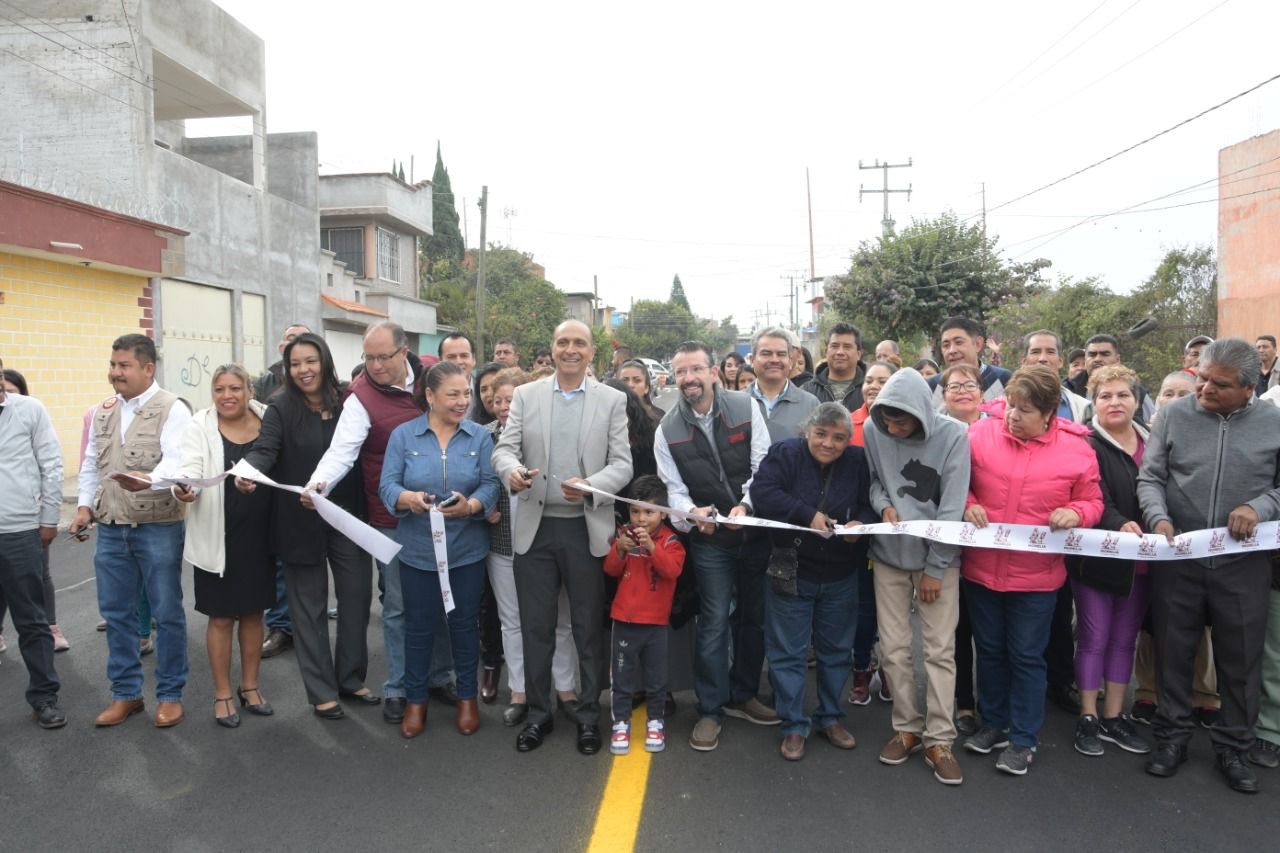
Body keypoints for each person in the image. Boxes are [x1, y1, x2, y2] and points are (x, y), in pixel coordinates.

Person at [1137, 338, 1280, 793]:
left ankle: (1234, 747)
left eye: (1219, 385)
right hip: (1180, 559)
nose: (1203, 391)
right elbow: (1151, 476)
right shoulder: (1175, 416)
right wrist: (1157, 517)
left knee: (1240, 660)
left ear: (1248, 387)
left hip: (1243, 564)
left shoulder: (1275, 423)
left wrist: (1261, 506)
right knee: (1174, 653)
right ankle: (1171, 738)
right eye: (1201, 379)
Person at [491, 319, 633, 755]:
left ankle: (589, 716)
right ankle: (539, 714)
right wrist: (510, 471)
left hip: (585, 529)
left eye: (579, 343)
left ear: (592, 353)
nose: (570, 350)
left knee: (587, 630)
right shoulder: (527, 396)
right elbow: (504, 448)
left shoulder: (612, 399)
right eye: (563, 342)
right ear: (551, 349)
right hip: (535, 529)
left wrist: (592, 484)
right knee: (537, 628)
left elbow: (623, 464)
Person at [961, 364, 1103, 776]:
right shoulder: (980, 433)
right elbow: (957, 479)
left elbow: (1092, 500)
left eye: (1024, 410)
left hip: (1037, 577)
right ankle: (994, 724)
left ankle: (1023, 738)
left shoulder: (1077, 449)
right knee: (988, 651)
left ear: (1049, 413)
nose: (1011, 416)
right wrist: (968, 499)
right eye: (1009, 405)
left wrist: (1075, 512)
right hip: (982, 569)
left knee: (1025, 655)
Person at [237, 332, 374, 721]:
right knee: (308, 609)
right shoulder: (280, 406)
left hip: (347, 516)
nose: (303, 370)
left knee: (356, 598)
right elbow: (265, 449)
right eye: (296, 364)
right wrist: (248, 472)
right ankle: (321, 692)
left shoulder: (350, 399)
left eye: (310, 361)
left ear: (324, 361)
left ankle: (350, 678)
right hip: (299, 517)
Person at [304, 322, 427, 725]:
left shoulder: (432, 379)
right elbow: (342, 451)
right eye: (368, 357)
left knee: (443, 602)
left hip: (444, 514)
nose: (374, 366)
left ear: (404, 351)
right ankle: (399, 686)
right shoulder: (359, 397)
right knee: (397, 605)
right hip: (388, 518)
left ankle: (439, 677)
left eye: (383, 357)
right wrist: (317, 485)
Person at [655, 340, 775, 752]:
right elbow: (673, 489)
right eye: (681, 372)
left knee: (753, 618)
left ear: (713, 372)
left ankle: (743, 694)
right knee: (713, 623)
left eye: (695, 370)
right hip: (711, 542)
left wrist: (746, 504)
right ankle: (710, 708)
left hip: (753, 532)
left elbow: (764, 465)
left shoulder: (746, 408)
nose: (688, 379)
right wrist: (692, 512)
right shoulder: (667, 429)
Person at [69, 334, 193, 728]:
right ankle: (126, 694)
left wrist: (151, 480)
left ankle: (170, 695)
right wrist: (84, 506)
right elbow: (91, 463)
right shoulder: (103, 411)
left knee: (167, 613)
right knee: (117, 615)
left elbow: (179, 464)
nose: (114, 373)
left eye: (123, 366)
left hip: (158, 526)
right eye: (112, 365)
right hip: (110, 528)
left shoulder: (173, 409)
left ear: (148, 368)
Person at [380, 361, 500, 738]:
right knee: (418, 627)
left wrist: (472, 507)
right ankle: (416, 701)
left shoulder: (479, 437)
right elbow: (386, 486)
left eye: (466, 393)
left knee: (464, 625)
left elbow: (490, 484)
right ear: (430, 396)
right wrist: (408, 498)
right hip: (416, 552)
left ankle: (467, 698)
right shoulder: (404, 437)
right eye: (453, 394)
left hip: (466, 551)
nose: (463, 400)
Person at [863, 368, 971, 785]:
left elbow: (953, 508)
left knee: (940, 651)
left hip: (937, 562)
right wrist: (883, 503)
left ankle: (940, 739)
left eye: (902, 421)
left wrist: (936, 568)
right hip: (888, 556)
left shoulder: (954, 435)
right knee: (893, 649)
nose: (893, 427)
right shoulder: (876, 432)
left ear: (922, 413)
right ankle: (906, 728)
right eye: (887, 420)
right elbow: (874, 480)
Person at [751, 402, 876, 760]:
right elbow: (764, 494)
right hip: (791, 568)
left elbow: (871, 504)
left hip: (841, 573)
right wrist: (807, 514)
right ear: (807, 431)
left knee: (837, 651)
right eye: (821, 434)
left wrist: (860, 527)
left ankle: (830, 717)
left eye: (838, 438)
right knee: (787, 652)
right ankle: (792, 724)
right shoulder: (785, 453)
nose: (829, 444)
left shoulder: (856, 462)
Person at [173, 365, 275, 728]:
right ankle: (222, 693)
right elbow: (190, 470)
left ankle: (250, 687)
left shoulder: (269, 418)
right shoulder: (199, 425)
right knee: (220, 617)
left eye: (235, 388)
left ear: (250, 390)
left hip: (260, 535)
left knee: (253, 613)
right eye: (219, 389)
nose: (227, 395)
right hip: (218, 535)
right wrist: (184, 487)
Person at [484, 369, 579, 727]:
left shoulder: (546, 435)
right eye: (499, 400)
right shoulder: (485, 438)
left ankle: (566, 690)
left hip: (549, 541)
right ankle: (520, 692)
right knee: (513, 622)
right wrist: (485, 507)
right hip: (505, 545)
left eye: (513, 400)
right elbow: (479, 480)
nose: (506, 407)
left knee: (561, 621)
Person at [1068, 365, 1151, 758]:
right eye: (1105, 396)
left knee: (1124, 640)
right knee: (1094, 637)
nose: (1114, 402)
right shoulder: (1085, 443)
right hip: (1097, 560)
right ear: (1093, 403)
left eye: (1122, 395)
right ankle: (1088, 716)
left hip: (1146, 561)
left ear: (1137, 400)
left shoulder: (1153, 441)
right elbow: (1093, 495)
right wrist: (1120, 524)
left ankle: (1114, 717)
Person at [1129, 370, 1220, 726]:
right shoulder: (1137, 437)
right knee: (1150, 623)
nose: (1176, 399)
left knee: (1201, 623)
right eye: (1168, 393)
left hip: (1195, 544)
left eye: (1184, 392)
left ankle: (1205, 692)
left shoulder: (1209, 433)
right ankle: (1149, 691)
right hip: (1146, 545)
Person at [0, 355, 66, 728]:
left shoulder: (29, 410)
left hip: (19, 532)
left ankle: (44, 697)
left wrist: (48, 518)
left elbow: (51, 463)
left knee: (32, 621)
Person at [604, 475, 686, 755]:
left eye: (649, 512)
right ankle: (621, 724)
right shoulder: (623, 535)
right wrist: (619, 550)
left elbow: (672, 571)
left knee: (656, 679)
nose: (641, 519)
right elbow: (611, 570)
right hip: (624, 621)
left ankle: (655, 721)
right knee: (622, 678)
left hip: (656, 624)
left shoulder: (672, 541)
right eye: (635, 511)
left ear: (663, 513)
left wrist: (652, 548)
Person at [845, 359, 898, 705]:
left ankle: (893, 673)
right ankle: (861, 670)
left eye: (883, 380)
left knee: (894, 616)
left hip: (898, 531)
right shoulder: (849, 424)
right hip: (859, 530)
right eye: (869, 380)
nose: (873, 386)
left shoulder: (909, 425)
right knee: (864, 611)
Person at [257, 324, 311, 660]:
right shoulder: (266, 382)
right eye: (289, 342)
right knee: (278, 562)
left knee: (313, 565)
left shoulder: (327, 390)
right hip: (276, 482)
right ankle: (280, 626)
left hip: (316, 485)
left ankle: (307, 625)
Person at [939, 362, 985, 736]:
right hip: (950, 547)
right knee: (958, 630)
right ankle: (964, 704)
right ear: (943, 396)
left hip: (990, 546)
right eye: (954, 386)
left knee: (988, 632)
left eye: (969, 384)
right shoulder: (935, 433)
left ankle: (992, 701)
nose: (962, 391)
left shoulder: (999, 430)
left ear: (982, 393)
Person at [748, 327, 820, 444]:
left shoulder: (810, 404)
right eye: (766, 354)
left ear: (790, 361)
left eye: (781, 354)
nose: (774, 360)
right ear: (752, 360)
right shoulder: (735, 403)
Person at [927, 317, 1012, 405]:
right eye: (946, 345)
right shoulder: (934, 385)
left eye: (959, 342)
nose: (952, 350)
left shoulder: (1002, 379)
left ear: (978, 344)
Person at [1076, 334, 1155, 423]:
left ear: (1117, 359)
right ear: (1085, 360)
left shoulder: (1138, 393)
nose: (1097, 359)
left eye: (1105, 354)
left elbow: (1152, 428)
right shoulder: (1069, 391)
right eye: (1092, 355)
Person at [803, 322, 868, 412]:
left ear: (858, 354)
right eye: (834, 346)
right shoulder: (807, 391)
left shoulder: (870, 390)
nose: (840, 352)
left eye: (847, 347)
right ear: (826, 352)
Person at [254, 323, 311, 402]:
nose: (299, 343)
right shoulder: (261, 385)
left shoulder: (323, 383)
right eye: (292, 339)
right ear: (281, 348)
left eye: (305, 340)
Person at [617, 359, 665, 426]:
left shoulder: (660, 418)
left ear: (646, 388)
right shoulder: (610, 417)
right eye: (624, 380)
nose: (630, 385)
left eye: (637, 380)